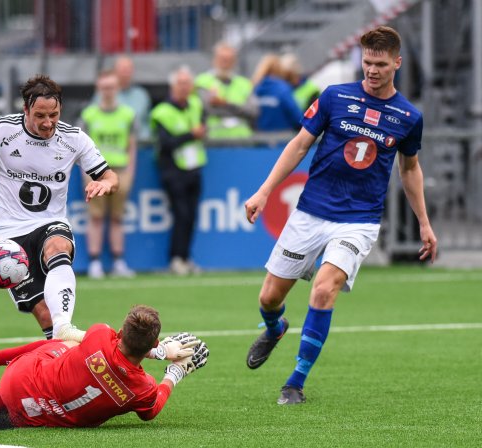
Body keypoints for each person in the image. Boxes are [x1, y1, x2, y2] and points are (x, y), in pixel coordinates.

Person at [243, 26, 438, 405]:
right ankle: (275, 327)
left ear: (396, 63)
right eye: (367, 62)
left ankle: (295, 382)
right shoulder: (334, 97)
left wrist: (425, 223)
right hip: (311, 212)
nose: (372, 70)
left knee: (323, 288)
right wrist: (264, 191)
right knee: (269, 297)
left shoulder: (408, 116)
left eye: (380, 64)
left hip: (359, 220)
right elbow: (300, 145)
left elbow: (410, 168)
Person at [0, 74, 119, 342]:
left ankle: (65, 325)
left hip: (50, 223)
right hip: (8, 234)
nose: (48, 122)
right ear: (25, 110)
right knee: (44, 318)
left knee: (58, 247)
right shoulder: (2, 130)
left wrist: (105, 185)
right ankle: (62, 357)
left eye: (54, 114)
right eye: (40, 115)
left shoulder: (74, 139)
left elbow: (109, 175)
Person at [0, 305, 210, 427]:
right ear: (149, 345)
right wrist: (175, 370)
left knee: (57, 345)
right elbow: (153, 407)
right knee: (27, 399)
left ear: (122, 332)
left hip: (18, 379)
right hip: (38, 414)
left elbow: (71, 334)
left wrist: (162, 350)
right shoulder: (142, 389)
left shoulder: (100, 336)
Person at [80, 70, 138, 279]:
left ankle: (118, 261)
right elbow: (81, 147)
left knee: (117, 218)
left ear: (117, 88)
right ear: (99, 88)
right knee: (95, 217)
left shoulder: (128, 114)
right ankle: (95, 262)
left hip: (120, 170)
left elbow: (131, 146)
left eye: (111, 87)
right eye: (104, 87)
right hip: (96, 172)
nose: (108, 91)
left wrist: (131, 170)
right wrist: (86, 173)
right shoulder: (89, 115)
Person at [150, 66, 207, 276]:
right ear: (173, 86)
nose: (184, 88)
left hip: (194, 167)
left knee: (191, 215)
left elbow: (203, 125)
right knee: (181, 214)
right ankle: (176, 258)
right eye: (180, 83)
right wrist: (191, 135)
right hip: (173, 170)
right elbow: (166, 143)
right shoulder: (161, 111)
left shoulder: (196, 105)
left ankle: (185, 257)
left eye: (187, 83)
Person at [194, 43, 256, 140]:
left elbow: (253, 111)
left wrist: (224, 104)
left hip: (242, 140)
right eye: (222, 59)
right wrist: (238, 109)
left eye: (229, 60)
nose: (225, 63)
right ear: (214, 60)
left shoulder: (244, 83)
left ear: (234, 61)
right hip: (213, 140)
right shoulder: (202, 81)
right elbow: (206, 109)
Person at [94, 56, 152, 141]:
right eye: (122, 69)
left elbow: (146, 121)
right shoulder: (102, 93)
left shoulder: (142, 95)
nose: (126, 73)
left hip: (141, 144)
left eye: (128, 69)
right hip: (111, 142)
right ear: (114, 71)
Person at [251, 53, 304, 132]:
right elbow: (297, 117)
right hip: (282, 139)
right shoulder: (282, 88)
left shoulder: (256, 89)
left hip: (261, 139)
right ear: (280, 69)